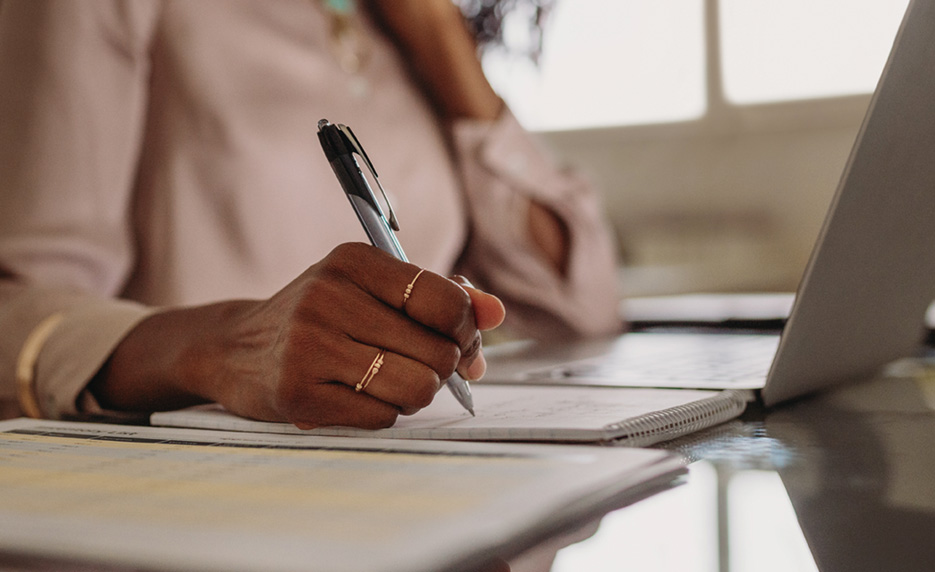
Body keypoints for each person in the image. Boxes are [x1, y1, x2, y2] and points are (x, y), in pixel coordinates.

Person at [0, 0, 622, 428]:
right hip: (199, 505)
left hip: (418, 488)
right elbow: (20, 312)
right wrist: (222, 349)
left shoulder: (407, 31)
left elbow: (584, 307)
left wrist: (436, 30)